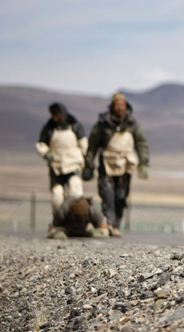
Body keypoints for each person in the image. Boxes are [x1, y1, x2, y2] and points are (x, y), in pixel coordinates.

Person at [85, 92, 150, 237]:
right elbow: (92, 145)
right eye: (117, 105)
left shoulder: (132, 124)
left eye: (122, 105)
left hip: (125, 165)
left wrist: (143, 163)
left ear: (126, 106)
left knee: (121, 196)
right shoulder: (103, 123)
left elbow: (141, 143)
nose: (120, 108)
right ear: (112, 107)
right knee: (107, 195)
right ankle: (108, 224)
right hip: (107, 163)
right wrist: (88, 164)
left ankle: (115, 225)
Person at [36, 103, 88, 214]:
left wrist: (82, 156)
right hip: (57, 166)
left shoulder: (75, 125)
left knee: (75, 191)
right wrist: (47, 154)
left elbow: (83, 142)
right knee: (57, 194)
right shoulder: (49, 128)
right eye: (54, 115)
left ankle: (77, 218)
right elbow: (41, 145)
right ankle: (58, 221)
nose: (56, 117)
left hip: (74, 164)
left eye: (58, 114)